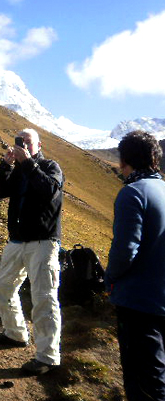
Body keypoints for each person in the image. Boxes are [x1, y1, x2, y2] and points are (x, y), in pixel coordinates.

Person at [0, 128, 63, 375]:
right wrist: (5, 165)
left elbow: (50, 190)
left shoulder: (50, 166)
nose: (23, 145)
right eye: (19, 141)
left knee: (44, 298)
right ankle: (15, 332)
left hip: (43, 242)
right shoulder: (20, 169)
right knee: (3, 287)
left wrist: (28, 163)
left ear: (39, 144)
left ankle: (48, 357)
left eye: (27, 142)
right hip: (17, 241)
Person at [105, 130, 165, 401]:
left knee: (143, 380)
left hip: (138, 300)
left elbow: (125, 250)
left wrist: (109, 280)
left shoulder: (132, 193)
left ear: (123, 160)